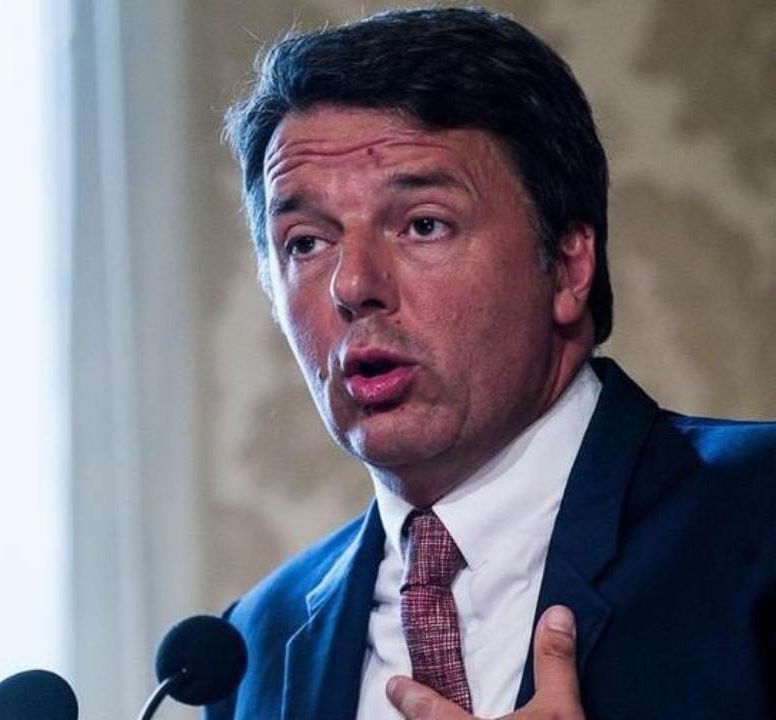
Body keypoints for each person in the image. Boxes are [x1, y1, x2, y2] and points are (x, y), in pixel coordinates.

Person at [207, 7, 776, 720]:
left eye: (423, 225)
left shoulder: (757, 515)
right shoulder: (254, 646)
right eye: (305, 243)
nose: (352, 285)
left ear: (567, 264)